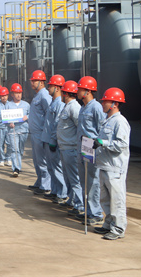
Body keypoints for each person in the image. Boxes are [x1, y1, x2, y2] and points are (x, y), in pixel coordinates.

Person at [92, 88, 130, 240]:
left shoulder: (120, 122)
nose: (102, 103)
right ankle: (108, 224)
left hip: (115, 168)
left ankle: (118, 228)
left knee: (116, 200)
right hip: (104, 165)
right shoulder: (107, 120)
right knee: (105, 199)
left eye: (105, 101)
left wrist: (103, 142)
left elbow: (122, 144)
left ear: (115, 104)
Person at [75, 76, 105, 225]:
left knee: (93, 182)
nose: (77, 92)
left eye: (80, 89)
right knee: (84, 181)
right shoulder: (83, 107)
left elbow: (102, 129)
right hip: (82, 147)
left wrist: (98, 145)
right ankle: (88, 211)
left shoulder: (96, 107)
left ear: (87, 91)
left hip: (91, 148)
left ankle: (96, 213)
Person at [40, 75, 67, 203]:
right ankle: (55, 191)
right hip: (47, 139)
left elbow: (57, 125)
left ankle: (62, 194)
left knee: (57, 168)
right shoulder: (53, 102)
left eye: (50, 86)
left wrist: (53, 141)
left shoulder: (60, 104)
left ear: (57, 88)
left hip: (52, 142)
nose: (48, 88)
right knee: (51, 168)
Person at [57, 80, 83, 213]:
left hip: (71, 148)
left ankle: (80, 205)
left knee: (74, 178)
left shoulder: (74, 107)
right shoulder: (67, 106)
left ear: (66, 94)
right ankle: (72, 200)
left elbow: (80, 127)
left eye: (63, 92)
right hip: (64, 147)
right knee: (68, 177)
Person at [28, 70, 52, 194]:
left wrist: (46, 133)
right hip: (34, 133)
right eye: (32, 81)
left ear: (42, 82)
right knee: (37, 160)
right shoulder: (37, 95)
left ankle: (46, 186)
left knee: (43, 161)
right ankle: (39, 182)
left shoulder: (44, 95)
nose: (32, 83)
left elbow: (49, 114)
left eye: (34, 81)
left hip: (40, 133)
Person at [6, 83, 30, 177]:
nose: (18, 95)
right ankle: (16, 168)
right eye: (16, 93)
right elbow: (4, 118)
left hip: (23, 130)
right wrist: (9, 123)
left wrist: (27, 117)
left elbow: (32, 114)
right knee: (14, 149)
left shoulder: (26, 105)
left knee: (20, 150)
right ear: (12, 94)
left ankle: (18, 165)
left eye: (20, 93)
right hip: (13, 131)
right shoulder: (8, 105)